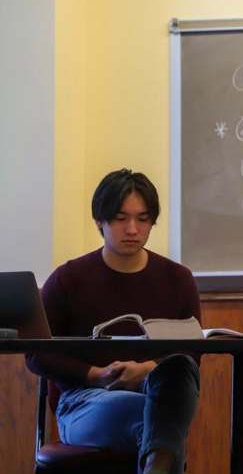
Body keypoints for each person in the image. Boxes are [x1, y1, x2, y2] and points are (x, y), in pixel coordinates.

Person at [25, 169, 201, 474]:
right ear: (100, 221)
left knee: (174, 381)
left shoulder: (178, 279)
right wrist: (97, 375)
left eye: (142, 219)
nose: (132, 229)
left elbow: (193, 355)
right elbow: (36, 354)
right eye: (120, 219)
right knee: (162, 418)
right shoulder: (68, 279)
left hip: (153, 392)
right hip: (83, 402)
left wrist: (148, 370)